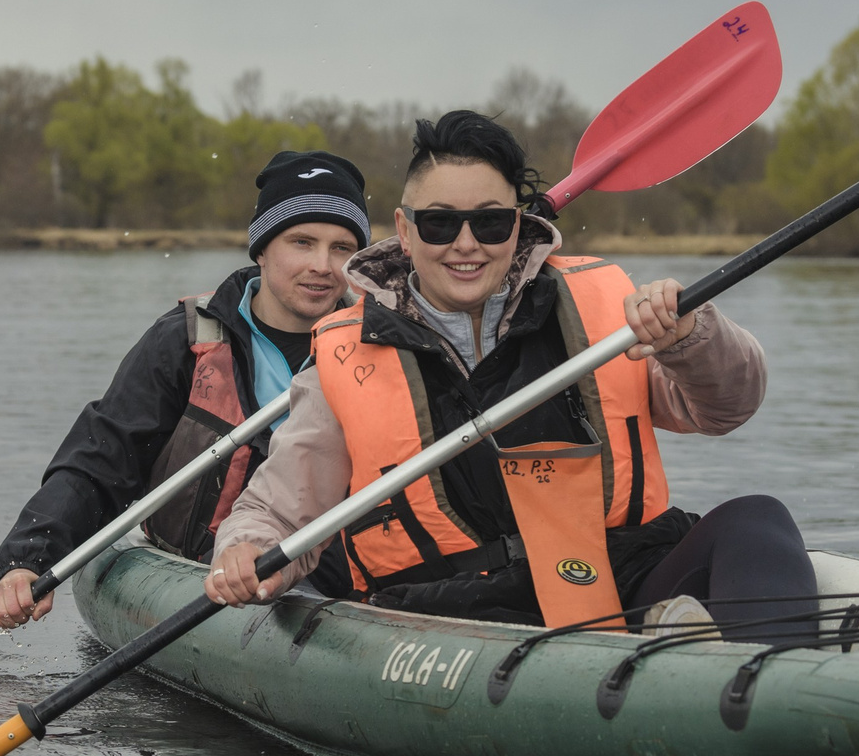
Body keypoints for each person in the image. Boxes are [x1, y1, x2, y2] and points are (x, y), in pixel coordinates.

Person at [205, 111, 820, 644]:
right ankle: (668, 655)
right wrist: (246, 550)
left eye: (491, 223)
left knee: (756, 520)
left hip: (615, 569)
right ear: (406, 229)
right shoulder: (344, 354)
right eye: (440, 223)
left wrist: (690, 336)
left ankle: (771, 693)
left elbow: (728, 406)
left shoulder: (603, 306)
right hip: (451, 607)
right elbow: (280, 508)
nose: (466, 244)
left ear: (519, 226)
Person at [0, 150, 374, 630]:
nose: (322, 265)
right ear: (261, 249)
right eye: (302, 242)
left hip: (342, 581)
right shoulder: (185, 340)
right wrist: (30, 558)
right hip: (201, 571)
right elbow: (105, 456)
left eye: (342, 248)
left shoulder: (384, 345)